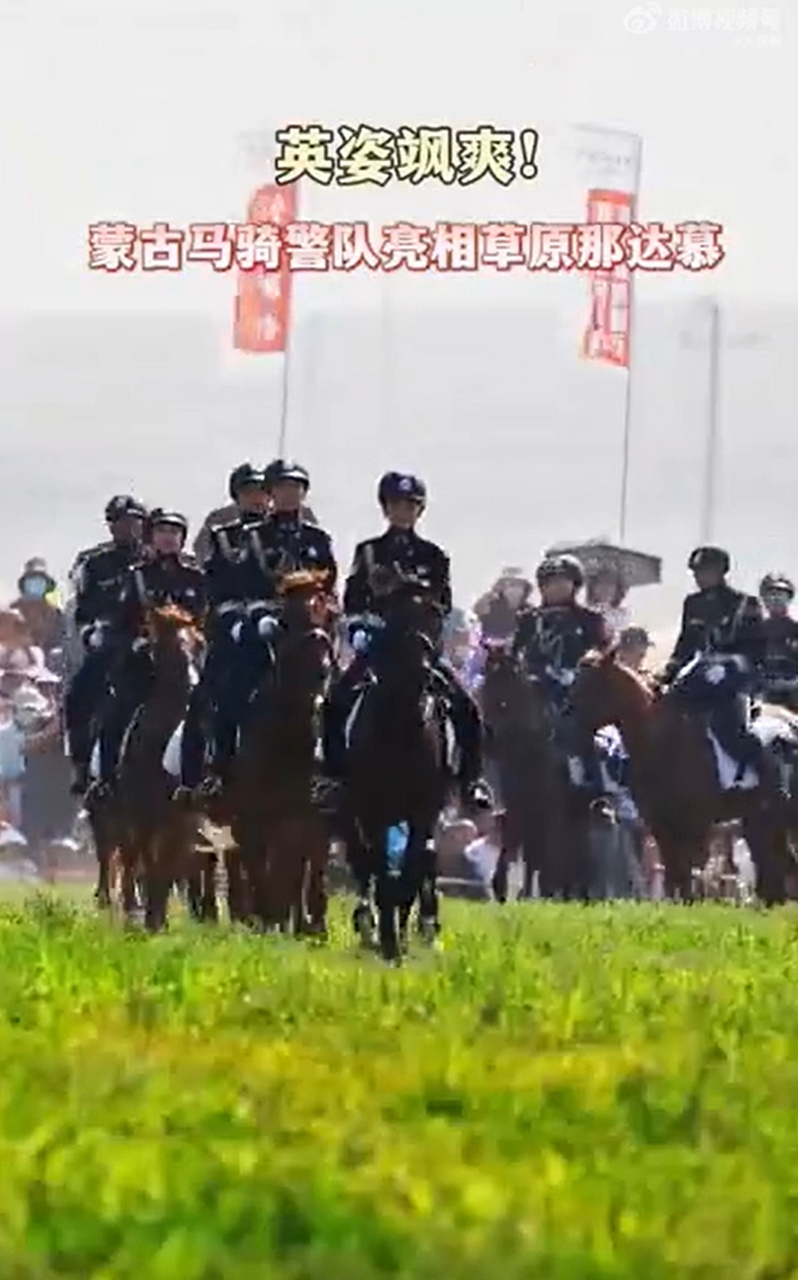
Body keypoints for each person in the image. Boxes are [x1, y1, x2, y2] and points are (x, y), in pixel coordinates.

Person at [323, 470, 490, 810]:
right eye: (397, 505)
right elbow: (354, 599)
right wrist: (359, 628)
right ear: (385, 508)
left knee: (467, 707)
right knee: (335, 702)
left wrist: (426, 630)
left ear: (419, 510)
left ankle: (471, 781)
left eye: (411, 505)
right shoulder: (369, 552)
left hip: (420, 647)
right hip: (380, 646)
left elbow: (443, 604)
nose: (404, 512)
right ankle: (334, 778)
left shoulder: (434, 556)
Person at [195, 459, 337, 795]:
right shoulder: (250, 538)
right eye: (283, 488)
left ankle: (331, 776)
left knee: (339, 698)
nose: (290, 495)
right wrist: (258, 620)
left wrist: (327, 617)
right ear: (271, 493)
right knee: (232, 693)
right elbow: (241, 591)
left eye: (296, 488)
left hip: (310, 634)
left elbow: (330, 590)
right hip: (266, 636)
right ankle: (221, 771)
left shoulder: (318, 539)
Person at [92, 510, 206, 795]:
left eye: (175, 532)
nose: (168, 538)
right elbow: (119, 623)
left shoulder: (196, 578)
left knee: (210, 709)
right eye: (162, 531)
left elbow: (207, 618)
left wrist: (197, 640)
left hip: (187, 659)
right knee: (117, 712)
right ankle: (105, 781)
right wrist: (136, 642)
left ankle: (202, 783)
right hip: (144, 663)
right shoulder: (137, 577)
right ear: (152, 537)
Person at [661, 546, 779, 795]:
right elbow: (685, 645)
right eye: (696, 572)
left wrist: (730, 665)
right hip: (698, 674)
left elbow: (756, 650)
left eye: (705, 571)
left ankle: (760, 779)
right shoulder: (692, 603)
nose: (699, 577)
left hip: (734, 679)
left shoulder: (745, 603)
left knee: (727, 726)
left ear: (721, 572)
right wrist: (668, 671)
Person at [63, 495, 148, 795]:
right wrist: (90, 635)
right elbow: (82, 612)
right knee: (76, 697)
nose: (128, 528)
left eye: (133, 521)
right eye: (120, 522)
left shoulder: (156, 557)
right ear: (110, 526)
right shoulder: (94, 563)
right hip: (109, 643)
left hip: (150, 642)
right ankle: (82, 765)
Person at [512, 552, 610, 795]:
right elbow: (516, 652)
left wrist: (580, 670)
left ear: (575, 584)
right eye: (549, 582)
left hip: (577, 687)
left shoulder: (589, 619)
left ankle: (590, 786)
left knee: (575, 725)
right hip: (533, 685)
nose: (554, 587)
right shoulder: (527, 619)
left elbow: (602, 650)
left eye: (561, 581)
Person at [191, 462, 271, 564]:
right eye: (248, 492)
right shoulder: (220, 524)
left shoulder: (278, 525)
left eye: (261, 491)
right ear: (237, 496)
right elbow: (202, 556)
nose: (255, 498)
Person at [11, 558, 66, 662]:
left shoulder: (56, 615)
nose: (35, 585)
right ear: (24, 584)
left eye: (40, 581)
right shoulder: (12, 613)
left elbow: (63, 642)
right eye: (31, 580)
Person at [758, 573, 798, 703]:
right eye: (770, 594)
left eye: (780, 594)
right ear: (764, 599)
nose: (775, 598)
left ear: (789, 598)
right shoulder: (755, 631)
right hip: (766, 692)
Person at [473, 567, 532, 642]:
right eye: (510, 585)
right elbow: (477, 610)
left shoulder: (528, 610)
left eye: (518, 585)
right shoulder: (491, 604)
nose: (514, 589)